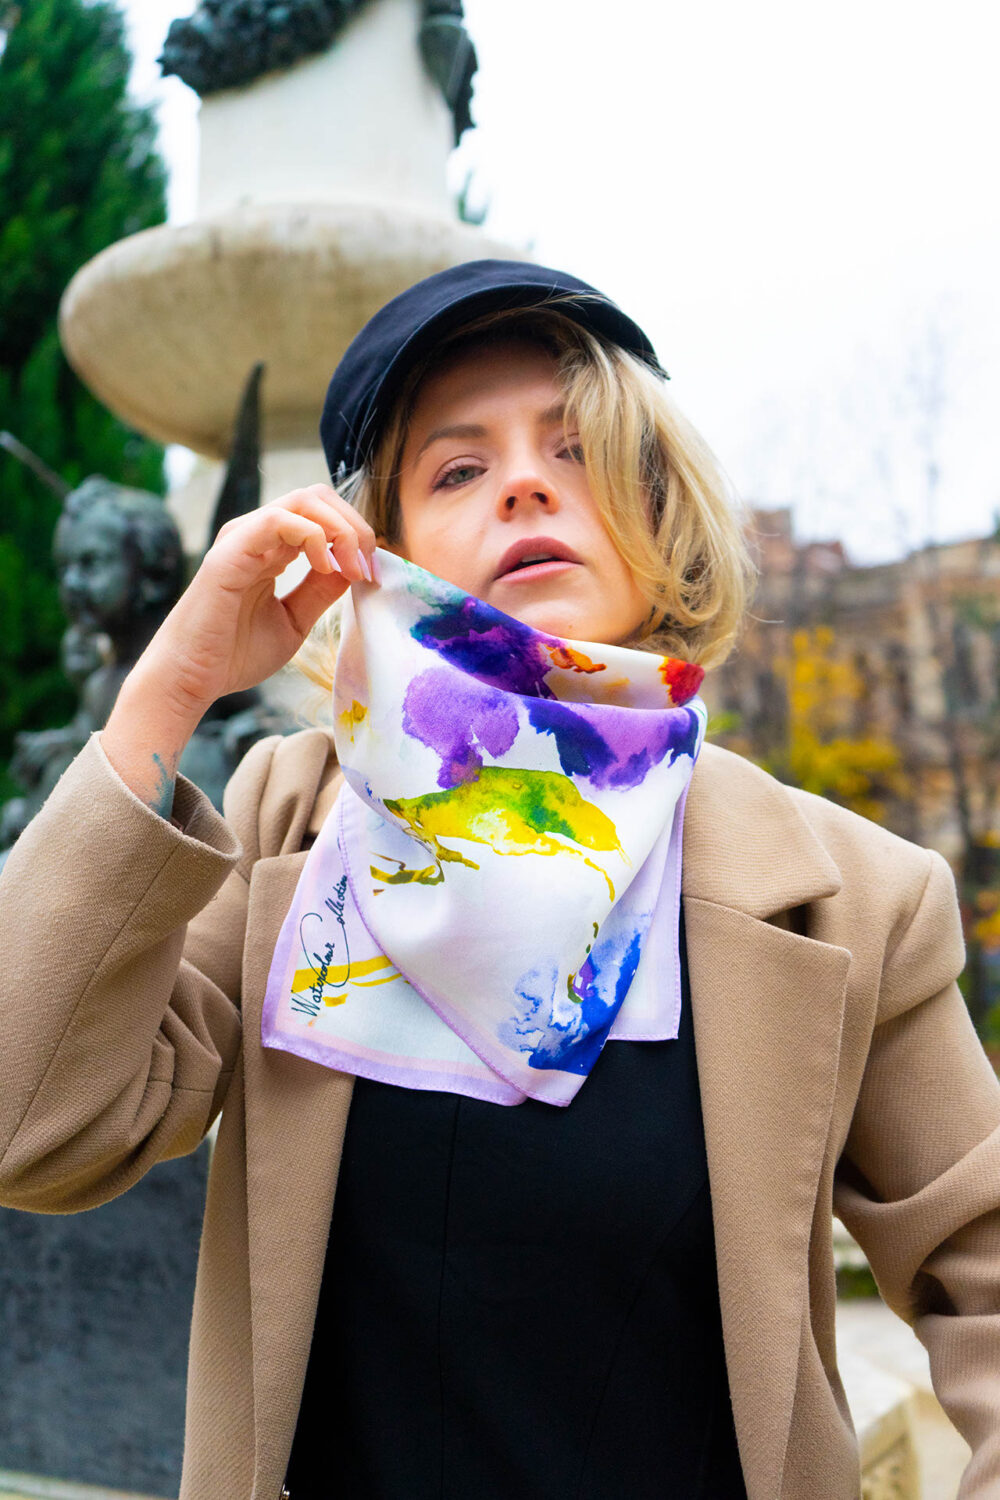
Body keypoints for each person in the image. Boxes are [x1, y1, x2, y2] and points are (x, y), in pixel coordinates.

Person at [1, 260, 999, 1500]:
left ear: (658, 515)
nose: (524, 482)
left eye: (575, 450)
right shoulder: (281, 832)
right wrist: (173, 683)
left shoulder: (854, 896)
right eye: (456, 470)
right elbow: (29, 1129)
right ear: (379, 552)